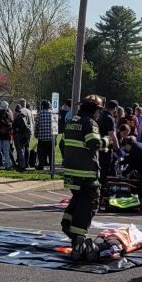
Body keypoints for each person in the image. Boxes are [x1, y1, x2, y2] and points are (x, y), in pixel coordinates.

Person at [59, 95, 106, 258]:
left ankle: (67, 225)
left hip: (71, 173)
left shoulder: (71, 122)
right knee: (90, 203)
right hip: (86, 173)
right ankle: (79, 239)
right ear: (93, 110)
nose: (99, 115)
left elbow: (62, 144)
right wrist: (106, 141)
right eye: (99, 111)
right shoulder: (89, 123)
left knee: (78, 199)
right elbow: (94, 143)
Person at [34, 100, 57, 171]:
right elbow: (55, 127)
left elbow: (37, 125)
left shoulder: (39, 114)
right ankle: (51, 166)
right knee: (51, 153)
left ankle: (41, 165)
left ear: (42, 106)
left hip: (42, 137)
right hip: (50, 138)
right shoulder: (53, 114)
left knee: (41, 153)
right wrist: (55, 137)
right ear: (49, 106)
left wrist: (36, 134)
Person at [11, 102, 33, 171]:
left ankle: (21, 166)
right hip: (24, 136)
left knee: (20, 150)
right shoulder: (23, 117)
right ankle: (22, 164)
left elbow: (15, 127)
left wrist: (16, 130)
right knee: (22, 150)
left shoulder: (18, 117)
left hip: (18, 136)